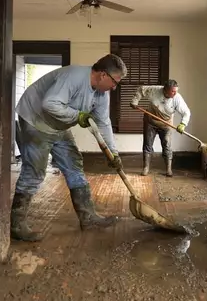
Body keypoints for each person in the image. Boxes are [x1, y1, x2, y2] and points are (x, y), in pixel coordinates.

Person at [11, 54, 126, 242]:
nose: (115, 87)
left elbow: (103, 123)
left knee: (74, 165)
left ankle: (88, 217)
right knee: (35, 172)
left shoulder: (102, 93)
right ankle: (16, 225)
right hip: (35, 120)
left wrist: (113, 153)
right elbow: (49, 104)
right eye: (115, 82)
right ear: (103, 75)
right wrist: (78, 116)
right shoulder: (73, 77)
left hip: (58, 125)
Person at [130, 79, 191, 178]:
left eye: (176, 91)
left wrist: (183, 124)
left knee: (167, 145)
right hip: (150, 121)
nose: (175, 93)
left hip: (166, 124)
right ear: (165, 90)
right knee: (147, 144)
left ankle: (168, 169)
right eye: (172, 91)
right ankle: (146, 167)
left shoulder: (177, 98)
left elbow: (186, 112)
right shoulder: (155, 90)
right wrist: (135, 100)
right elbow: (141, 89)